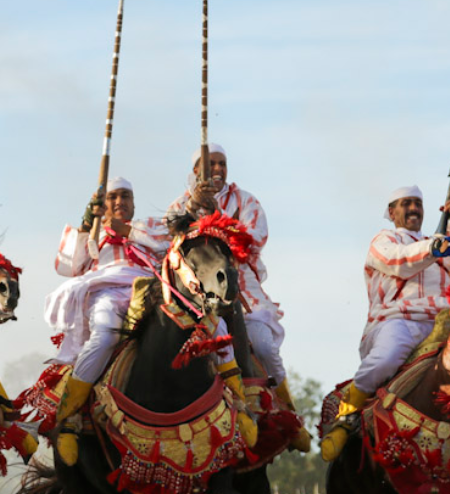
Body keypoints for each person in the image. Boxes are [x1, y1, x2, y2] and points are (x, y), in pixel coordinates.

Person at [320, 185, 450, 491]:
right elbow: (398, 262)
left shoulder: (445, 244)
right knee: (386, 358)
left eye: (417, 203)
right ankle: (346, 418)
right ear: (392, 212)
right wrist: (432, 249)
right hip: (396, 320)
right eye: (405, 204)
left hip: (445, 325)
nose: (413, 208)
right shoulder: (384, 240)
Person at [43, 177, 251, 465]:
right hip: (107, 293)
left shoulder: (147, 226)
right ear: (102, 205)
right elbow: (68, 266)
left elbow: (173, 237)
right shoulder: (91, 232)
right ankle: (70, 418)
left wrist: (129, 230)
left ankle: (241, 406)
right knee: (103, 337)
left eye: (125, 196)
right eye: (112, 197)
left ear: (133, 201)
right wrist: (85, 225)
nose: (119, 202)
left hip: (152, 290)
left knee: (217, 326)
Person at [168, 143, 291, 406]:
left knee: (264, 346)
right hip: (195, 293)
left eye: (222, 163)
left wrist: (216, 216)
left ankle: (285, 406)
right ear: (195, 171)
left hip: (242, 287)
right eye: (211, 164)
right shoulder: (179, 205)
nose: (217, 169)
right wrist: (192, 210)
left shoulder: (245, 200)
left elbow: (255, 240)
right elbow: (165, 242)